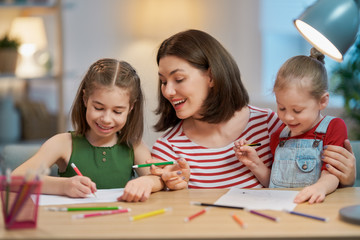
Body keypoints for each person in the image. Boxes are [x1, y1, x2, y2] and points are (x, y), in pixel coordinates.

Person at [149, 29, 356, 190]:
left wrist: (346, 178)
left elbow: (309, 181)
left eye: (178, 79)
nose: (168, 91)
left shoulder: (272, 125)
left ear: (211, 77)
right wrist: (167, 186)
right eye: (163, 81)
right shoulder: (168, 147)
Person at [12, 58, 164, 202]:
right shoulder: (63, 143)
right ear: (85, 99)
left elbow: (159, 179)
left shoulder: (134, 146)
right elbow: (15, 179)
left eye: (117, 111)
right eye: (98, 108)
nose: (106, 119)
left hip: (120, 224)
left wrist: (147, 181)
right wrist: (63, 186)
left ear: (131, 108)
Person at [234, 48, 347, 203]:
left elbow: (333, 174)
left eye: (297, 110)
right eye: (281, 108)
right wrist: (255, 164)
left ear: (322, 101)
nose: (287, 117)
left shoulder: (334, 127)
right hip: (282, 209)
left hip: (314, 207)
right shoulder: (279, 135)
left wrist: (319, 187)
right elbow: (274, 184)